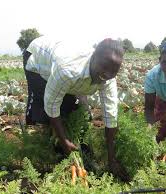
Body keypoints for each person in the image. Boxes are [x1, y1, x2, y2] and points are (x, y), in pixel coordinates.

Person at [23, 36, 128, 180]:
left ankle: (70, 146)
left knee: (75, 109)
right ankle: (53, 144)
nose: (107, 75)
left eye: (113, 71)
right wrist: (63, 139)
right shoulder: (67, 70)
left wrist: (112, 159)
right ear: (93, 57)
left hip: (68, 65)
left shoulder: (107, 77)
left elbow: (110, 116)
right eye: (104, 68)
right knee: (49, 109)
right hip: (38, 59)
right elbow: (52, 104)